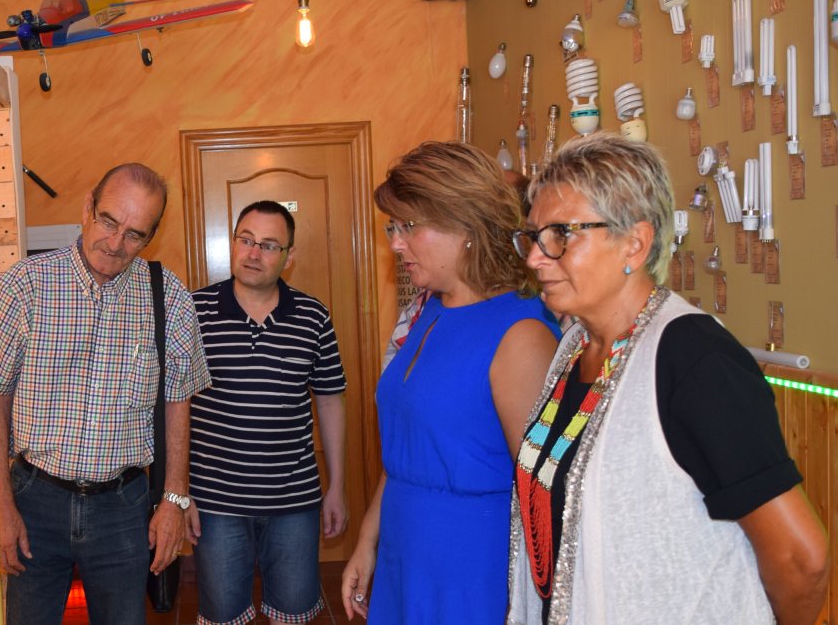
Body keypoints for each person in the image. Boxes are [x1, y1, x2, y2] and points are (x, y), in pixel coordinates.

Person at [507, 132, 829, 624]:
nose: (535, 258)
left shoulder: (694, 358)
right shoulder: (573, 348)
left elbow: (801, 558)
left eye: (561, 235)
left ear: (634, 242)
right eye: (533, 237)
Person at [341, 141, 561, 622]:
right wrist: (368, 540)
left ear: (465, 227)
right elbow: (408, 447)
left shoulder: (521, 334)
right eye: (393, 227)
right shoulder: (434, 310)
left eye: (409, 227)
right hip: (406, 549)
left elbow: (544, 496)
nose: (395, 243)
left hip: (469, 568)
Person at [0, 163, 212, 625]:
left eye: (134, 234)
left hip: (122, 507)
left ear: (150, 236)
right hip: (34, 497)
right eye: (109, 221)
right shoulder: (23, 285)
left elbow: (178, 402)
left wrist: (175, 500)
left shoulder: (168, 298)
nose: (115, 243)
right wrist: (1, 504)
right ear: (87, 207)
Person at [186, 200, 348, 625]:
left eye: (270, 245)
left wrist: (337, 487)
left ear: (289, 256)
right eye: (246, 240)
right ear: (234, 243)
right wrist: (177, 493)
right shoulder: (193, 312)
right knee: (222, 616)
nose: (254, 253)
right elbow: (174, 405)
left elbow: (330, 400)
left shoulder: (313, 316)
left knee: (293, 614)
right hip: (215, 501)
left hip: (294, 500)